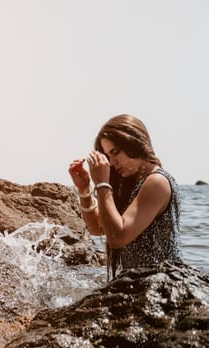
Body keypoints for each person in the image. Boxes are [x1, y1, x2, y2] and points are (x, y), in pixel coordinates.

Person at [68, 114, 182, 280]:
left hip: (164, 287)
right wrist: (84, 189)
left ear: (135, 143)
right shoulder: (128, 181)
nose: (112, 162)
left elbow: (117, 238)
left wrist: (102, 184)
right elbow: (98, 228)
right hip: (137, 284)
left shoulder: (157, 182)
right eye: (108, 156)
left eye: (116, 152)